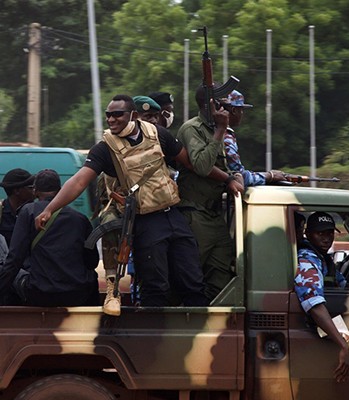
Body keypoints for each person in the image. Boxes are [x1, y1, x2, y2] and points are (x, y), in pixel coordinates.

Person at [35, 94, 209, 316]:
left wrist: (228, 178)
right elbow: (78, 182)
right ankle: (144, 336)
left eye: (117, 114)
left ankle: (202, 332)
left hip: (173, 215)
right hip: (146, 222)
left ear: (133, 115)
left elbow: (191, 164)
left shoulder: (157, 133)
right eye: (108, 115)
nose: (111, 119)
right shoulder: (105, 148)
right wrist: (50, 209)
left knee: (193, 280)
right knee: (155, 286)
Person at [176, 83, 245, 302]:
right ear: (211, 105)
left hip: (215, 216)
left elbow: (230, 169)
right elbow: (202, 166)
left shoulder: (220, 131)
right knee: (189, 277)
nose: (228, 108)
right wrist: (219, 131)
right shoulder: (192, 128)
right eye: (224, 104)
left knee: (220, 277)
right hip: (195, 215)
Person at [0, 169, 99, 307]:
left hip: (39, 294)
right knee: (92, 275)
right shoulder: (80, 218)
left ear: (35, 191)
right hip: (76, 295)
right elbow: (92, 261)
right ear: (60, 191)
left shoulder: (28, 211)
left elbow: (15, 259)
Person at [294, 211, 349, 382]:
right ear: (308, 234)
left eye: (330, 233)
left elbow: (341, 284)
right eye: (320, 233)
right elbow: (314, 304)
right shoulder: (307, 260)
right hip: (307, 331)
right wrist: (343, 346)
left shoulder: (322, 258)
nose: (327, 238)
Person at [220, 90, 288, 188]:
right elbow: (239, 175)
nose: (242, 114)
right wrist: (269, 176)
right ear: (234, 110)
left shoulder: (215, 131)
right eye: (241, 110)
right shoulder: (226, 136)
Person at [0, 168, 35, 246]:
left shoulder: (35, 212)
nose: (34, 191)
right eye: (30, 187)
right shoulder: (1, 214)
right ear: (17, 191)